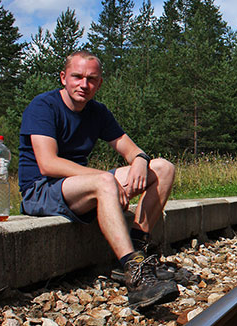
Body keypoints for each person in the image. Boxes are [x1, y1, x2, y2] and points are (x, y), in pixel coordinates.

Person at [18, 50, 178, 309]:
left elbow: (131, 149)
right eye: (77, 77)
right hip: (40, 190)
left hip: (78, 186)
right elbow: (48, 163)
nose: (84, 85)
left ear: (99, 83)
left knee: (163, 168)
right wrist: (108, 180)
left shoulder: (97, 112)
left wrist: (139, 159)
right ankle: (136, 277)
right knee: (104, 181)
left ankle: (138, 251)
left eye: (91, 79)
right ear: (63, 78)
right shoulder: (43, 106)